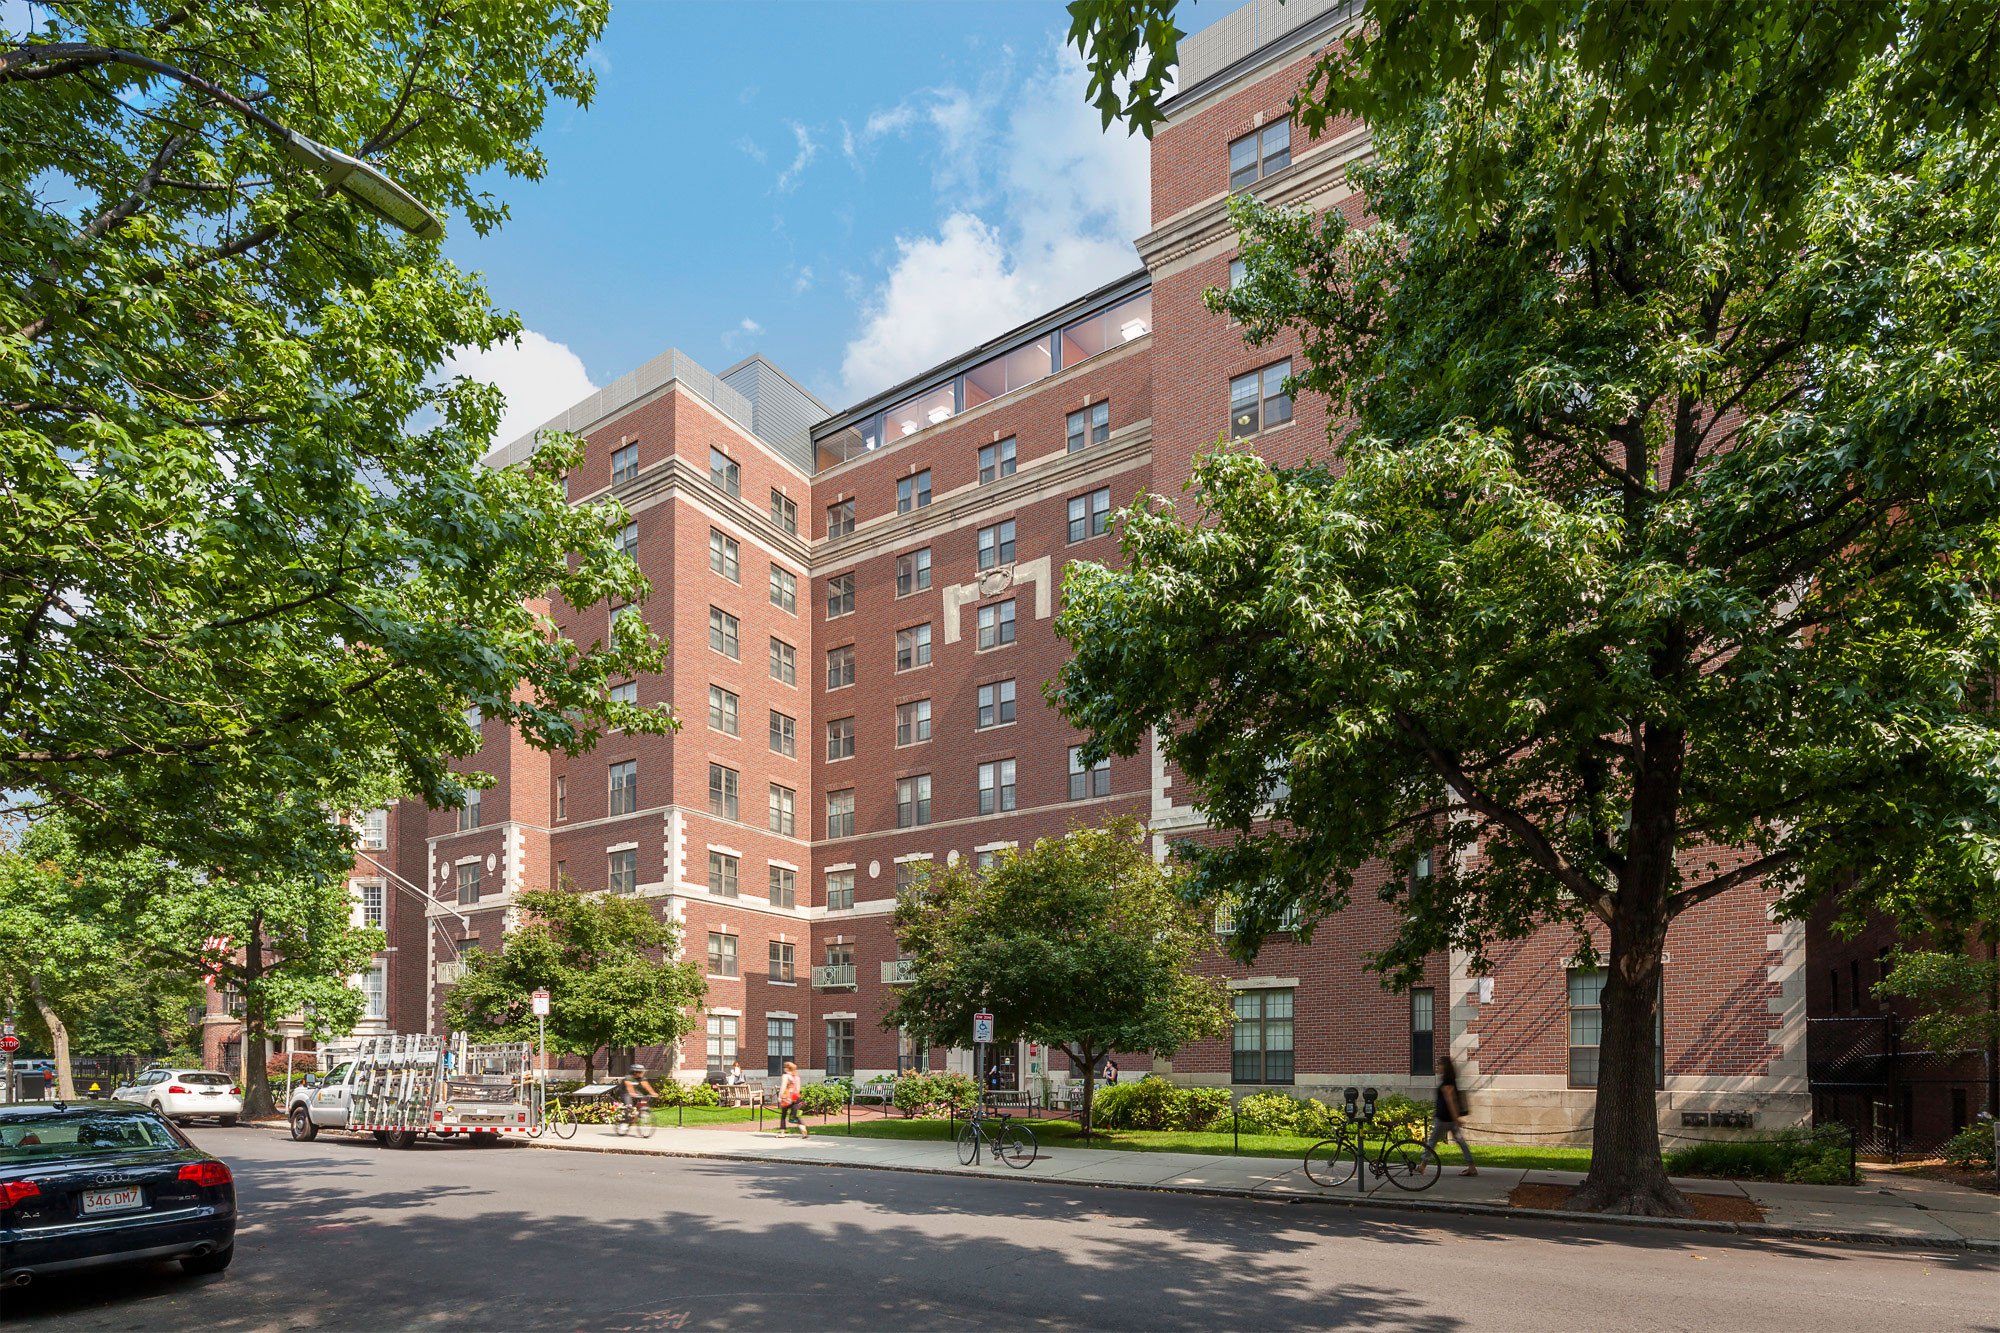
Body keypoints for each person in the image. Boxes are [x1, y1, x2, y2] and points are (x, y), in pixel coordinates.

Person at [1427, 1054, 1477, 1176]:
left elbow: (1450, 1099)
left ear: (1445, 1066)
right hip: (1446, 1117)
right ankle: (1471, 1167)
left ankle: (1422, 1165)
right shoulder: (1449, 1078)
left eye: (1439, 1064)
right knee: (1460, 1142)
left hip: (1445, 1118)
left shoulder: (1447, 1079)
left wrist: (1455, 1118)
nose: (1438, 1067)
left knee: (1432, 1141)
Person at [776, 1061, 806, 1138]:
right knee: (795, 1115)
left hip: (787, 1098)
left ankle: (782, 1133)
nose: (784, 1068)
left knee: (783, 1116)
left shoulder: (785, 1076)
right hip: (795, 1097)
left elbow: (783, 1087)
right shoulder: (797, 1076)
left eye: (785, 1067)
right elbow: (798, 1088)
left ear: (787, 1068)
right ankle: (802, 1128)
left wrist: (780, 1096)